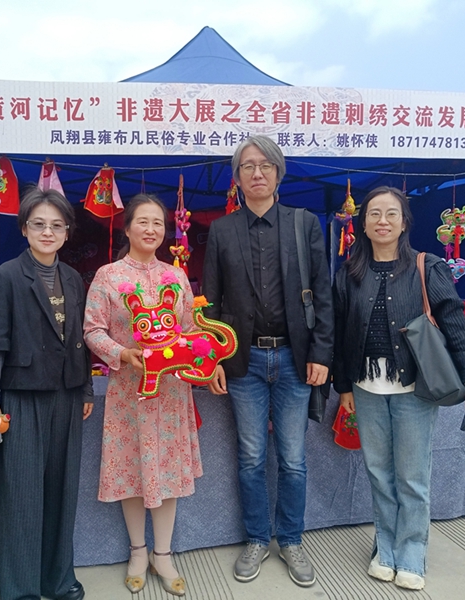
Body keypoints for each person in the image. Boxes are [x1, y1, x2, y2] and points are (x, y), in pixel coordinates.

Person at [332, 186, 465, 591]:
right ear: (363, 223)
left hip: (414, 389)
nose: (382, 221)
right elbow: (340, 334)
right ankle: (385, 548)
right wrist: (344, 385)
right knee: (378, 473)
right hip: (366, 387)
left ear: (404, 223)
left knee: (412, 476)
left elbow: (454, 321)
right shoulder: (349, 273)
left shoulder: (427, 266)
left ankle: (412, 552)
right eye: (374, 214)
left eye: (391, 213)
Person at [203, 135, 333, 587]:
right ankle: (258, 538)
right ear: (237, 178)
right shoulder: (222, 231)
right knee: (252, 457)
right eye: (247, 166)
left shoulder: (304, 223)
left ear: (279, 172)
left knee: (293, 459)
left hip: (296, 360)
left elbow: (323, 293)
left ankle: (292, 540)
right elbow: (210, 303)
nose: (256, 173)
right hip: (244, 362)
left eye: (265, 165)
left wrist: (321, 353)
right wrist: (212, 359)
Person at [0, 188, 93, 600]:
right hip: (21, 396)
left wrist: (86, 388)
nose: (48, 232)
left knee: (62, 492)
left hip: (67, 394)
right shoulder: (5, 277)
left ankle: (58, 581)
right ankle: (21, 589)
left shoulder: (73, 278)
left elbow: (79, 340)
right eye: (39, 224)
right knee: (22, 495)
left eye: (56, 225)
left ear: (67, 232)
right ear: (24, 229)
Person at [84, 194, 202, 597]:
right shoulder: (108, 276)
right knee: (131, 471)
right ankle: (138, 551)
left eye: (158, 223)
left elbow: (189, 329)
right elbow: (92, 330)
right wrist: (122, 354)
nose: (151, 230)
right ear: (128, 227)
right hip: (127, 392)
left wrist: (202, 355)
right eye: (143, 222)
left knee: (167, 472)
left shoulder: (177, 276)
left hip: (171, 392)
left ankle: (162, 554)